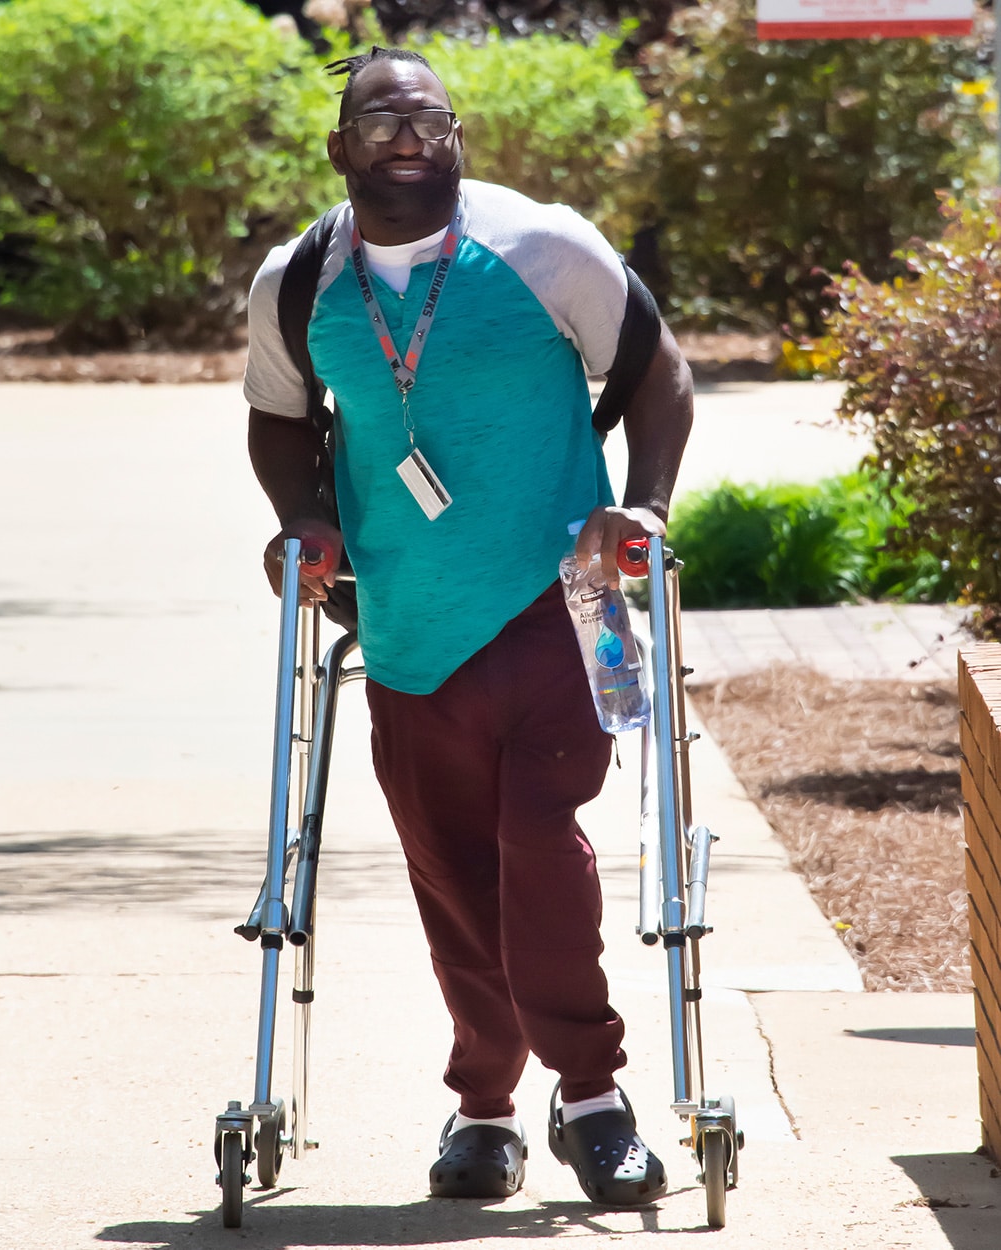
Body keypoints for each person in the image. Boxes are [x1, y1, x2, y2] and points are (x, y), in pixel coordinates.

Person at [243, 45, 694, 1206]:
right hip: (403, 621)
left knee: (537, 839)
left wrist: (641, 502)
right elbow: (279, 420)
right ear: (339, 147)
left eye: (427, 116)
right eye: (378, 118)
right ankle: (484, 1105)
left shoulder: (542, 243)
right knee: (450, 874)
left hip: (570, 600)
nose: (405, 132)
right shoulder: (297, 282)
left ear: (458, 139)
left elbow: (656, 375)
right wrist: (305, 520)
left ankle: (591, 1097)